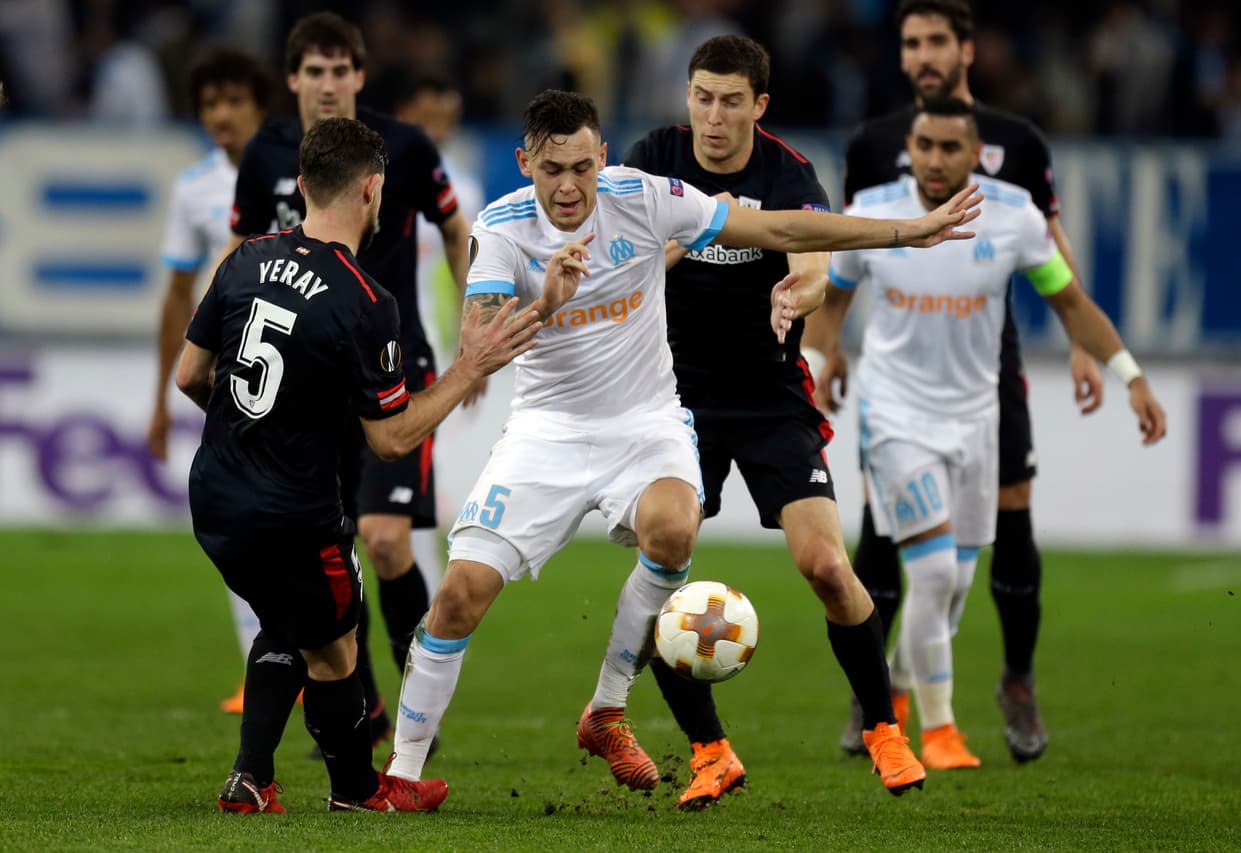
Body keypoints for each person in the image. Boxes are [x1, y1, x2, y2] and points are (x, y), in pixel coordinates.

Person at [385, 88, 981, 798]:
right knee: (457, 596)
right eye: (551, 170)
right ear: (524, 164)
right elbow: (480, 343)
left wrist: (903, 233)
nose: (569, 186)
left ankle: (606, 708)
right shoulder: (503, 227)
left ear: (603, 157)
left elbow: (784, 229)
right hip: (546, 432)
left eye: (582, 166)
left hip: (646, 422)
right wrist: (546, 301)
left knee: (673, 528)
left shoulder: (645, 198)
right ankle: (402, 774)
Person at [176, 116, 540, 813]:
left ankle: (250, 777)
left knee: (288, 620)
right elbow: (392, 439)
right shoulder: (367, 300)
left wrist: (246, 431)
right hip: (293, 510)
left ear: (302, 184)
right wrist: (471, 366)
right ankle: (357, 790)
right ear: (372, 189)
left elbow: (192, 374)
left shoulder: (245, 258)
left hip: (215, 494)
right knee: (337, 649)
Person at [815, 95, 1165, 770]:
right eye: (925, 145)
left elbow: (1069, 302)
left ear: (976, 153)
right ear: (909, 148)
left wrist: (1131, 375)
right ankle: (937, 733)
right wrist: (827, 353)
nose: (936, 159)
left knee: (951, 588)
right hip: (893, 416)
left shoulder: (1014, 218)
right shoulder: (873, 213)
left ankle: (896, 675)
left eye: (951, 148)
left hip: (978, 420)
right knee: (935, 568)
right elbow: (832, 295)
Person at [621, 34, 921, 809]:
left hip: (769, 396)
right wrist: (669, 254)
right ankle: (710, 749)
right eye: (701, 98)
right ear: (687, 98)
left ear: (759, 105)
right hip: (672, 399)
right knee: (666, 558)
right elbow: (619, 258)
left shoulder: (788, 174)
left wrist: (802, 294)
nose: (713, 117)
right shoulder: (653, 157)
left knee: (825, 565)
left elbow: (814, 257)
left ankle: (885, 728)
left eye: (730, 101)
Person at [221, 13, 470, 733]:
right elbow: (241, 252)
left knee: (387, 540)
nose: (329, 84)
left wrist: (475, 322)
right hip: (306, 386)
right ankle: (364, 708)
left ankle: (423, 700)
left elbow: (456, 229)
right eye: (315, 71)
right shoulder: (264, 153)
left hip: (394, 369)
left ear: (359, 76)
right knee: (327, 552)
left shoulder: (409, 147)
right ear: (293, 79)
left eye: (341, 71)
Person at [146, 46, 272, 714]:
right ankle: (262, 665)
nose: (222, 115)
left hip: (302, 370)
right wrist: (161, 400)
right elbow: (176, 295)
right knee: (237, 518)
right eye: (210, 104)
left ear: (259, 106)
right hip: (230, 379)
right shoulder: (194, 188)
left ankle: (331, 669)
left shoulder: (294, 169)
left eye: (234, 101)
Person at [391, 72, 488, 598]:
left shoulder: (463, 187)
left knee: (413, 496)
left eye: (446, 119)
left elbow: (465, 269)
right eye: (429, 117)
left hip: (420, 358)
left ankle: (431, 617)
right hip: (375, 351)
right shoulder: (381, 173)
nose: (438, 129)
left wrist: (465, 351)